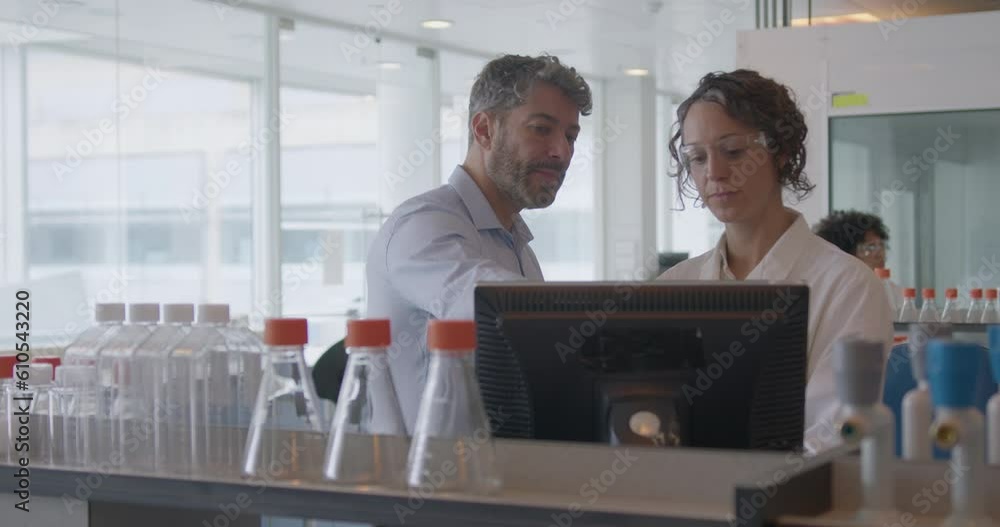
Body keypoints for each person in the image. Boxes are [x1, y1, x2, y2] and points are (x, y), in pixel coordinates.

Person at [656, 69, 893, 452]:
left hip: (792, 488)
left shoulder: (848, 286)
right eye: (697, 157)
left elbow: (835, 432)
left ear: (780, 152)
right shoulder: (673, 286)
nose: (714, 173)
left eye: (733, 151)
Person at [366, 54, 593, 430]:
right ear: (485, 130)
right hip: (425, 467)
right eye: (541, 129)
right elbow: (501, 312)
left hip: (496, 463)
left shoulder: (519, 247)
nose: (562, 152)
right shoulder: (422, 226)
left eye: (570, 136)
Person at [813, 210, 890, 271]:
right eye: (870, 247)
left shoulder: (886, 285)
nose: (881, 254)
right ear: (845, 254)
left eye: (882, 245)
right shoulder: (836, 285)